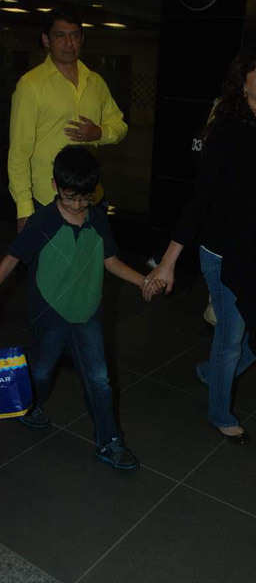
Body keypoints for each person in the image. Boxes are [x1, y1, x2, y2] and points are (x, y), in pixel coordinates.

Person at [145, 45, 256, 445]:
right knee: (231, 337)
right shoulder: (227, 129)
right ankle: (219, 410)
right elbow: (201, 199)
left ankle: (212, 374)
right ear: (242, 84)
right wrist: (168, 262)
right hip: (227, 253)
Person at [0, 146, 165, 470]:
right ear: (55, 187)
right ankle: (31, 406)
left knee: (100, 379)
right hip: (49, 314)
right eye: (69, 197)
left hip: (87, 312)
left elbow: (111, 261)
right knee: (42, 370)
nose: (77, 205)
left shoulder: (98, 219)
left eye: (84, 198)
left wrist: (143, 281)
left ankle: (110, 442)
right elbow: (11, 259)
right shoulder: (42, 221)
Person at [8, 7, 128, 232]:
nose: (68, 43)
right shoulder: (30, 85)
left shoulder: (95, 82)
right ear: (46, 40)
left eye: (74, 35)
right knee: (48, 266)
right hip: (47, 199)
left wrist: (99, 133)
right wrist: (24, 209)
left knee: (90, 265)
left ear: (82, 39)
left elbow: (120, 126)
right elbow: (19, 152)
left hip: (90, 197)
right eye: (60, 36)